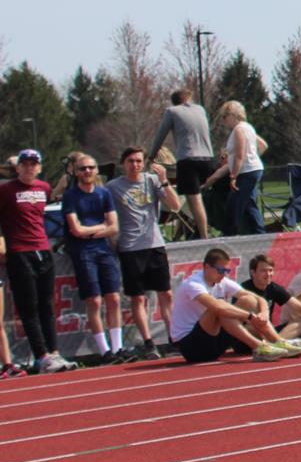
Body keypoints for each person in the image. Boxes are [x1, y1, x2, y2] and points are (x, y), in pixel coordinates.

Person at [0, 149, 73, 373]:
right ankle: (41, 356)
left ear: (40, 167)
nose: (30, 167)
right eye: (26, 164)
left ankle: (54, 352)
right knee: (28, 307)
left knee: (47, 305)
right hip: (19, 252)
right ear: (18, 167)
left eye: (34, 164)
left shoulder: (44, 188)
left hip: (43, 249)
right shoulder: (5, 190)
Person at [169, 249, 301, 363]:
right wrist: (250, 317)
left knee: (248, 300)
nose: (223, 275)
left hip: (214, 344)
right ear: (206, 267)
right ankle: (259, 347)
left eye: (226, 271)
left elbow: (258, 298)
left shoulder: (223, 282)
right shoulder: (193, 285)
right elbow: (217, 307)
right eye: (220, 270)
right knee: (221, 306)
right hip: (191, 347)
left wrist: (264, 313)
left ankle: (278, 341)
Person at [108, 147, 180, 360]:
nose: (135, 165)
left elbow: (175, 205)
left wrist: (164, 180)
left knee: (165, 293)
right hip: (130, 247)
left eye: (139, 161)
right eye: (131, 161)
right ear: (123, 163)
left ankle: (173, 338)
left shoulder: (152, 180)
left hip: (154, 244)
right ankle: (149, 343)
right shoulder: (113, 187)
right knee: (139, 298)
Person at [62, 155, 130, 363]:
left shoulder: (103, 193)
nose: (87, 172)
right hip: (83, 252)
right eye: (83, 169)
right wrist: (100, 227)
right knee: (94, 300)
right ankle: (104, 351)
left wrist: (91, 231)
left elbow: (114, 227)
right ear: (75, 171)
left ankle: (118, 347)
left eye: (91, 168)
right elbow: (76, 229)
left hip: (104, 250)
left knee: (114, 298)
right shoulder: (71, 196)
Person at [146, 89, 214, 238]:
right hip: (208, 158)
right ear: (188, 98)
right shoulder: (200, 109)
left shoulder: (172, 111)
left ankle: (204, 237)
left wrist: (151, 156)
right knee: (197, 200)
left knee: (193, 201)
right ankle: (188, 233)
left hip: (188, 158)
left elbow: (161, 134)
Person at [203, 100, 266, 235]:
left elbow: (239, 155)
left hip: (247, 172)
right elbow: (262, 146)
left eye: (225, 116)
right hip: (253, 169)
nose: (223, 120)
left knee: (234, 205)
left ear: (233, 114)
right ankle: (259, 233)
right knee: (249, 205)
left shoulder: (239, 129)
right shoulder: (248, 127)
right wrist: (253, 157)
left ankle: (229, 234)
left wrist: (233, 176)